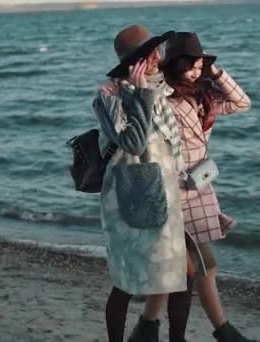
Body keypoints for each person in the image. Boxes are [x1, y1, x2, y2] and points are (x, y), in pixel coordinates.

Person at [161, 32, 260, 342]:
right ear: (175, 65)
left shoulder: (206, 96)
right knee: (203, 267)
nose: (195, 71)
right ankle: (225, 333)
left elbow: (242, 102)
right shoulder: (164, 98)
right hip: (174, 191)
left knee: (194, 269)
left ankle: (147, 326)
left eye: (200, 64)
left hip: (200, 186)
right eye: (190, 65)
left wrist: (216, 73)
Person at [94, 24, 191, 342]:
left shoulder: (159, 89)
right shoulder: (109, 96)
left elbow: (171, 143)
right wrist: (141, 95)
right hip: (131, 193)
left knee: (183, 275)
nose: (158, 57)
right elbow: (134, 143)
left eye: (157, 51)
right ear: (133, 61)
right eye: (150, 53)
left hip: (164, 191)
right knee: (126, 278)